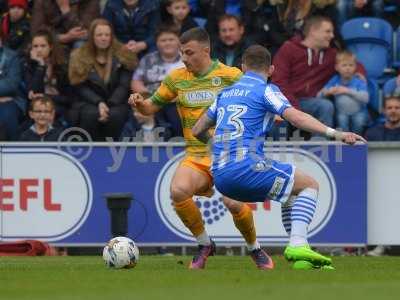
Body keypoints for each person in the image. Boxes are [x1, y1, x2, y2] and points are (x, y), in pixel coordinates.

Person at [192, 45, 366, 269]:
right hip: (247, 168)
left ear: (242, 67)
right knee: (309, 185)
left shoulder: (224, 94)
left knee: (291, 194)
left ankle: (302, 259)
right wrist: (336, 133)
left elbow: (197, 130)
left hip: (221, 177)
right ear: (271, 69)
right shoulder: (266, 89)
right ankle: (298, 244)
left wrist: (216, 145)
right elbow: (296, 118)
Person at [129, 27, 269, 270]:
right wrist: (140, 104)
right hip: (197, 156)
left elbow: (261, 96)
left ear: (206, 51)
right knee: (178, 190)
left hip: (229, 156)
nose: (184, 58)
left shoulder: (231, 75)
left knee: (234, 204)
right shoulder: (176, 78)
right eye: (182, 53)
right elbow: (151, 107)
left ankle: (254, 248)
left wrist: (273, 113)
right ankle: (205, 244)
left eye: (189, 53)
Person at [272, 15, 365, 137]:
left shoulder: (331, 55)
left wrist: (360, 71)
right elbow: (279, 82)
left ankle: (319, 148)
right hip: (287, 101)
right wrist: (293, 109)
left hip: (312, 101)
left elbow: (351, 63)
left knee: (326, 106)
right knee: (276, 115)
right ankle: (277, 152)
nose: (332, 36)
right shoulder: (288, 49)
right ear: (313, 31)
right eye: (328, 31)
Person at [69, 18, 137, 141]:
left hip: (116, 101)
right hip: (89, 102)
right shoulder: (79, 56)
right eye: (99, 35)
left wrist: (109, 104)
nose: (103, 38)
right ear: (92, 37)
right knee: (90, 115)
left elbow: (124, 85)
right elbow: (79, 86)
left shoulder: (123, 55)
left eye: (107, 34)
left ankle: (114, 152)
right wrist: (99, 102)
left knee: (115, 115)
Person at [131, 24, 183, 138]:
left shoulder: (187, 60)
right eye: (163, 40)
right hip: (152, 99)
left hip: (177, 101)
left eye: (171, 39)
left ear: (179, 41)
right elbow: (136, 82)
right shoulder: (148, 59)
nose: (167, 43)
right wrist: (148, 96)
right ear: (157, 43)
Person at [318, 50, 369, 135]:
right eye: (344, 65)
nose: (348, 68)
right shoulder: (335, 80)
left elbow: (365, 98)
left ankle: (356, 142)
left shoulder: (359, 81)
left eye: (351, 65)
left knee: (359, 123)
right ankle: (345, 144)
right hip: (341, 112)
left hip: (359, 111)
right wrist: (328, 92)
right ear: (337, 67)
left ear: (355, 67)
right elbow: (319, 95)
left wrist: (347, 91)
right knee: (341, 124)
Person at [31, 0, 100, 50]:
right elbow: (36, 31)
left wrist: (65, 10)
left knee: (80, 45)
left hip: (79, 40)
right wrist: (63, 37)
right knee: (40, 45)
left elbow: (84, 31)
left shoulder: (90, 2)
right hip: (53, 38)